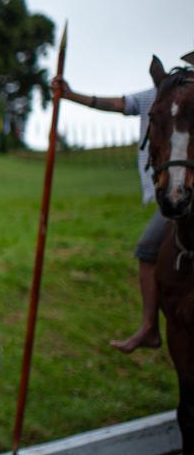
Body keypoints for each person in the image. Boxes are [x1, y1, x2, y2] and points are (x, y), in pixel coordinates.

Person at [51, 74, 166, 354]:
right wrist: (71, 95)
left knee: (149, 249)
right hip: (170, 194)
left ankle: (150, 327)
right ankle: (150, 326)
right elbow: (118, 104)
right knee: (149, 250)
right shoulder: (158, 94)